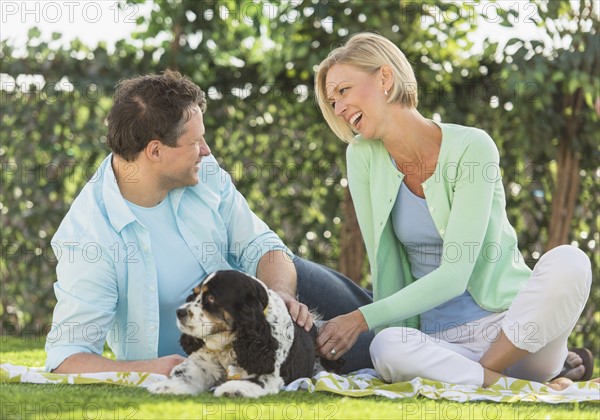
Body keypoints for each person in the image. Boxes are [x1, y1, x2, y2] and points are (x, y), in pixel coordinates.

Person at [313, 32, 594, 389]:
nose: (337, 108)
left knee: (571, 261)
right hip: (443, 343)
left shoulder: (472, 147)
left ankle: (493, 378)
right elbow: (383, 260)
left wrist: (359, 318)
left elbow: (455, 274)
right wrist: (387, 327)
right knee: (387, 347)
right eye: (331, 100)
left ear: (385, 78)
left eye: (343, 91)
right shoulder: (362, 156)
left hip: (515, 332)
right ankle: (520, 388)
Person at [45, 70, 374, 375]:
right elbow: (67, 357)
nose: (206, 150)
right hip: (235, 351)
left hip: (279, 297)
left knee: (385, 323)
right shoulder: (89, 238)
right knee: (380, 353)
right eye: (195, 142)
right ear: (155, 151)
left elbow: (261, 246)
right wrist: (158, 368)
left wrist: (279, 295)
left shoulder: (203, 172)